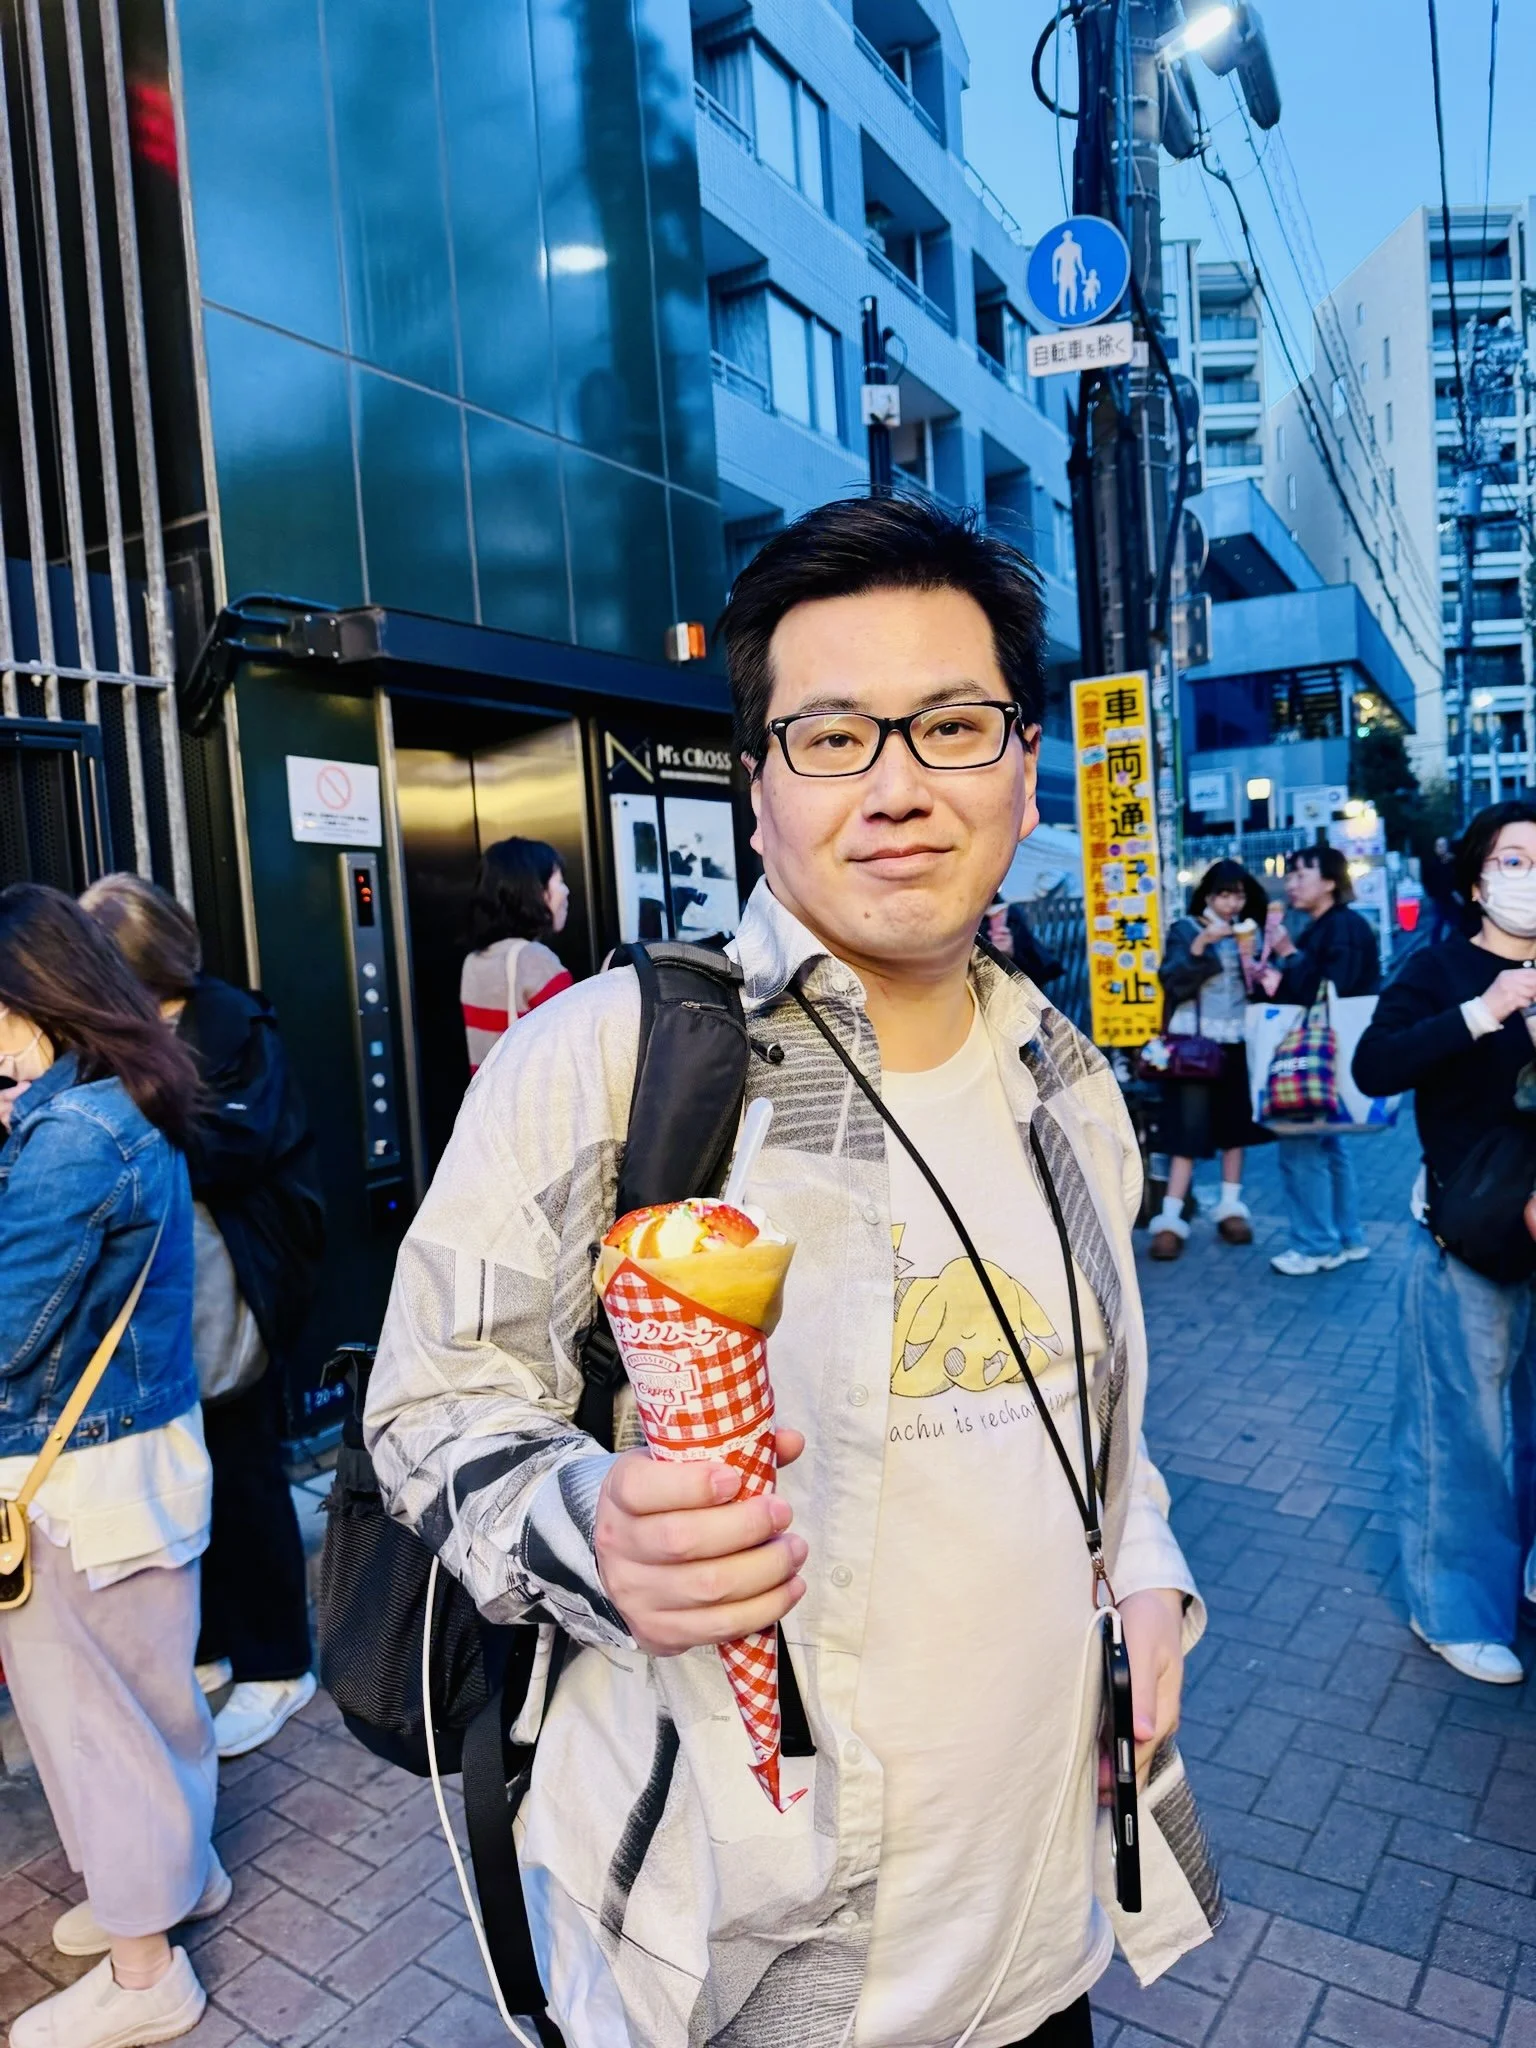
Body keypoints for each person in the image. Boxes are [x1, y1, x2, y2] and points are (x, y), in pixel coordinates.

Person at [367, 497, 1215, 2048]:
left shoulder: (1070, 1089)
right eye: (831, 737)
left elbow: (1103, 1427)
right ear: (757, 789)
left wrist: (1143, 1569)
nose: (897, 785)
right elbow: (430, 1404)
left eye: (953, 725)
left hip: (1041, 1942)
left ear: (1025, 772)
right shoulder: (613, 1063)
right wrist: (594, 1539)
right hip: (736, 1977)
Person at [0, 886, 225, 2048]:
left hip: (73, 1486)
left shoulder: (69, 1137)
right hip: (143, 1462)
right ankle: (181, 1881)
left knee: (94, 1725)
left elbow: (9, 1330)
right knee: (154, 1698)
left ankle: (148, 1975)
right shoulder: (123, 1100)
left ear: (27, 1002)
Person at [82, 874, 325, 1758]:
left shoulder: (229, 1024)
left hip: (236, 1282)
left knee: (245, 1466)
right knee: (194, 1468)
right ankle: (218, 1644)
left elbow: (231, 1146)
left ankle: (279, 1668)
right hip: (177, 1290)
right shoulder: (140, 1029)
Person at [1354, 799, 1536, 1685]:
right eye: (1514, 860)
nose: (1530, 877)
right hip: (1467, 1240)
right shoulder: (1440, 971)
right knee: (1460, 1430)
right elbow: (1374, 1067)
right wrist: (1486, 1009)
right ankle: (1454, 1607)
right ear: (1476, 879)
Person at [1258, 844, 1381, 1277]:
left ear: (1329, 881)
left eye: (1301, 876)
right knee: (1329, 1147)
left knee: (1301, 1146)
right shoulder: (1328, 925)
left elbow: (1331, 989)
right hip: (1332, 1059)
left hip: (1315, 1060)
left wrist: (1289, 955)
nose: (1291, 884)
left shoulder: (1340, 927)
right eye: (1290, 876)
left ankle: (1315, 1245)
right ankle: (1346, 1238)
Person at [1148, 859, 1268, 1261]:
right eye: (1225, 894)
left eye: (1239, 895)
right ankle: (1169, 1219)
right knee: (1187, 1129)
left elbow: (1258, 988)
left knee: (1235, 1128)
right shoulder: (1186, 928)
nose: (1233, 903)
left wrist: (1261, 965)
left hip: (1237, 1039)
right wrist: (1202, 946)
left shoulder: (1248, 933)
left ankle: (1231, 1208)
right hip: (1194, 1045)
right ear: (1209, 895)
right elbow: (1171, 980)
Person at [459, 837, 574, 1072]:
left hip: (491, 1102)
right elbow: (578, 1040)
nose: (566, 891)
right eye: (559, 880)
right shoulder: (534, 959)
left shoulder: (474, 961)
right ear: (534, 890)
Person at [1420, 833, 1460, 944]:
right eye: (1438, 846)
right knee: (1437, 925)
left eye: (1443, 845)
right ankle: (1435, 949)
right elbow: (1426, 880)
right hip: (1438, 898)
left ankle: (1455, 946)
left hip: (1452, 899)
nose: (1440, 848)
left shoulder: (1454, 862)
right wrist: (1431, 894)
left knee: (1455, 925)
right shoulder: (1431, 863)